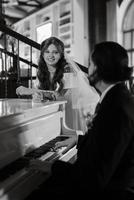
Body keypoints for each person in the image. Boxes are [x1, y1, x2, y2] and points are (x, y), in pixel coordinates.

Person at [27, 41, 134, 199]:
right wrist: (79, 139)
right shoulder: (118, 97)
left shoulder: (114, 108)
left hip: (111, 192)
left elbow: (92, 179)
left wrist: (51, 167)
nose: (86, 70)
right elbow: (107, 143)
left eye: (90, 64)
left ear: (97, 68)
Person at [16, 36, 99, 133]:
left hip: (70, 114)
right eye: (47, 52)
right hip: (52, 112)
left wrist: (31, 91)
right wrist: (38, 97)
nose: (51, 55)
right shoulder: (41, 71)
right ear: (42, 54)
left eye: (55, 52)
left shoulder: (68, 69)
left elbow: (63, 98)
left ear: (61, 55)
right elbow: (45, 96)